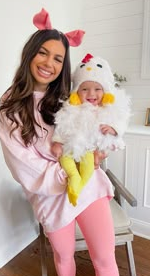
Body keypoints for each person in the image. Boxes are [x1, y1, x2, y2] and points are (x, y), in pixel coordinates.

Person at [0, 8, 122, 276]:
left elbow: (95, 133)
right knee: (64, 256)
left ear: (64, 66)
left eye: (58, 58)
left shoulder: (70, 98)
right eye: (43, 53)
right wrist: (70, 171)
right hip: (50, 196)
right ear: (30, 54)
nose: (49, 63)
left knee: (104, 259)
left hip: (88, 188)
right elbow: (23, 164)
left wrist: (99, 151)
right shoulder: (10, 105)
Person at [51, 53, 131, 206]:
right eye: (85, 89)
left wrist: (114, 129)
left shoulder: (107, 111)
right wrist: (57, 142)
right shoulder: (72, 109)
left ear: (106, 92)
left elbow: (121, 122)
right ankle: (74, 177)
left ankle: (78, 187)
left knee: (88, 167)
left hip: (88, 150)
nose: (91, 94)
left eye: (97, 89)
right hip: (69, 148)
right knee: (64, 160)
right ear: (76, 93)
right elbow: (62, 126)